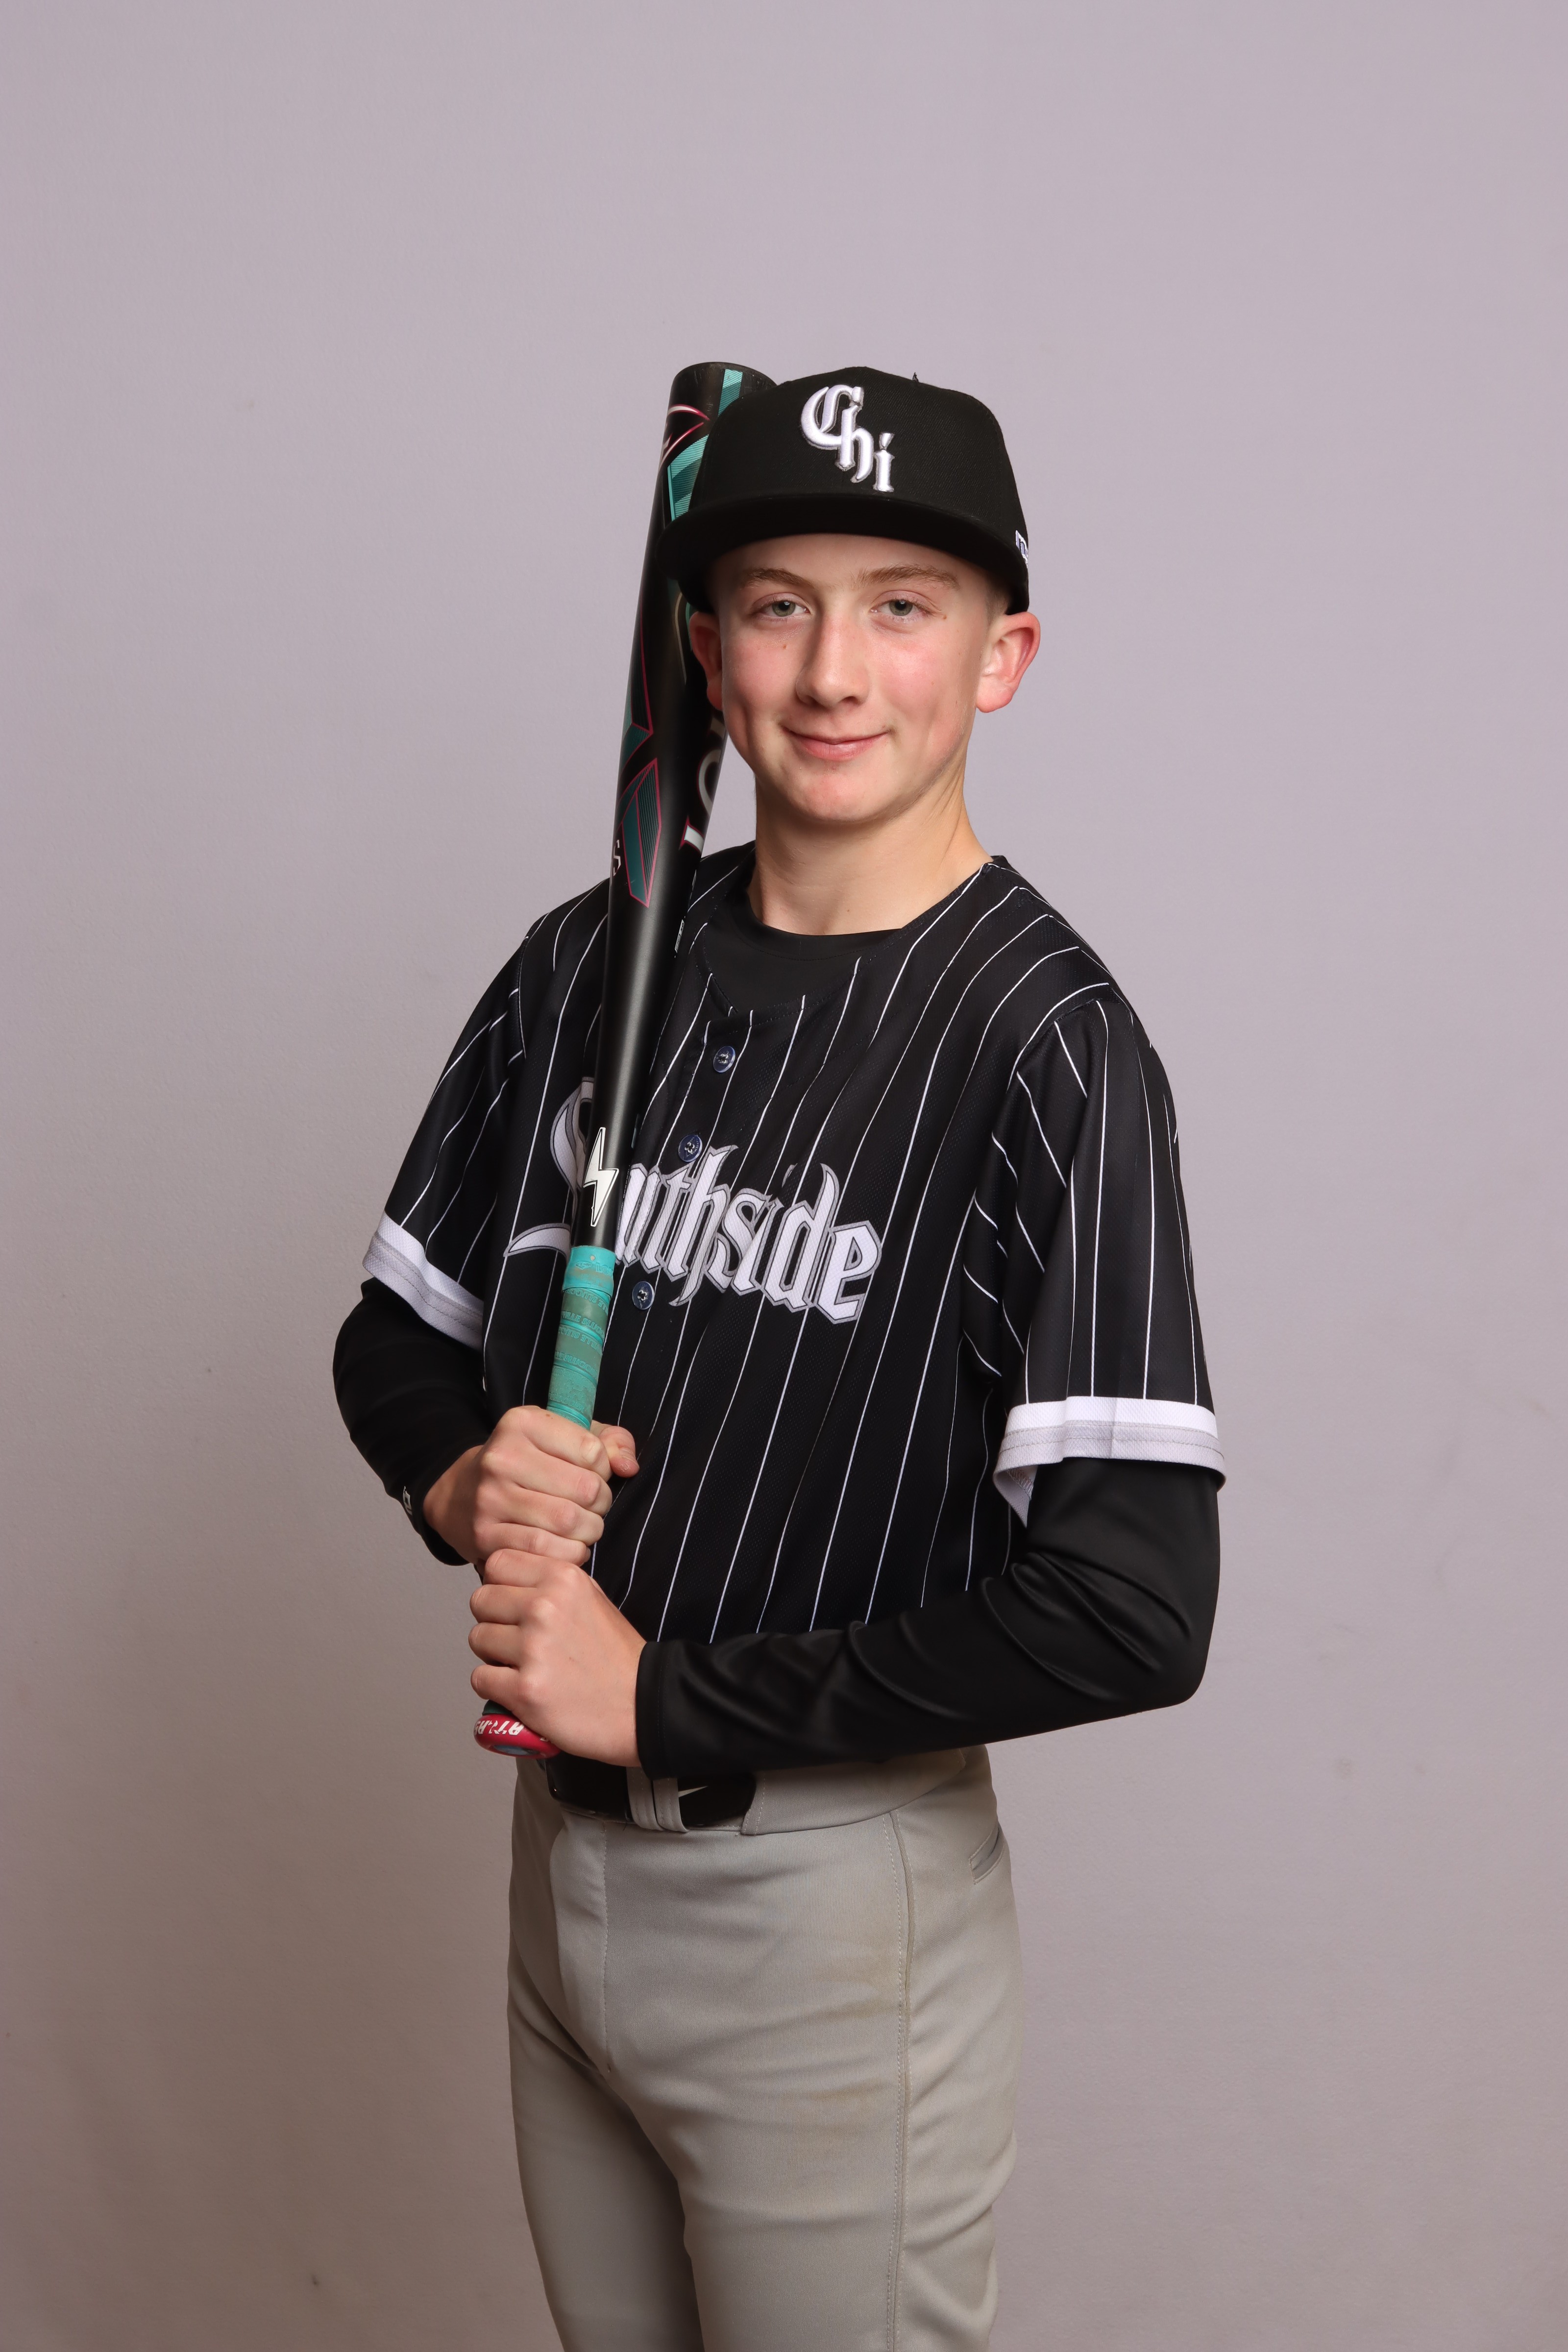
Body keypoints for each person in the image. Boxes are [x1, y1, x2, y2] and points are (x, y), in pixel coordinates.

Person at [334, 367, 1223, 2352]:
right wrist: (467, 1476)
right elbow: (393, 1338)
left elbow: (1133, 1606)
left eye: (901, 605)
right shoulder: (587, 966)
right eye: (775, 604)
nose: (832, 671)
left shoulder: (1047, 1048)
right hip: (556, 1886)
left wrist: (660, 1695)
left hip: (826, 1910)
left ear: (1001, 656)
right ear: (705, 653)